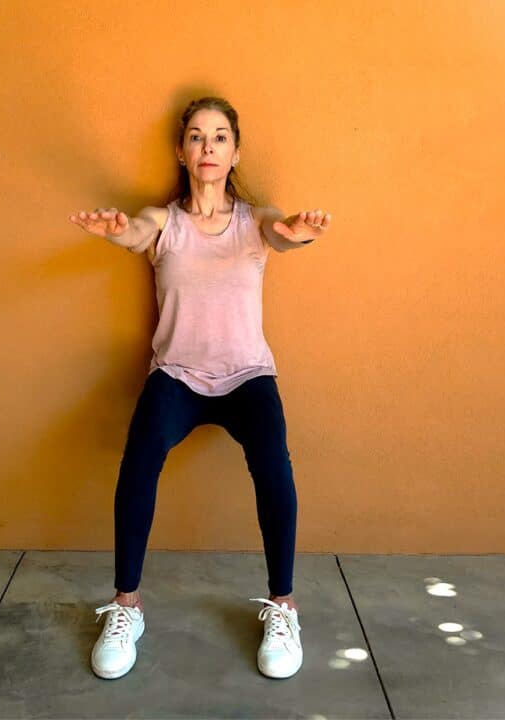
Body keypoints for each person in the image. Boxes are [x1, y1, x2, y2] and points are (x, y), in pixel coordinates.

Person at [69, 96, 331, 680]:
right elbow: (137, 232)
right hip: (178, 376)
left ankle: (283, 608)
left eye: (219, 137)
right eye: (196, 136)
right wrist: (117, 231)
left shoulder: (256, 219)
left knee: (274, 465)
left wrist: (296, 233)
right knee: (139, 461)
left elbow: (282, 235)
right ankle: (125, 608)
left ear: (235, 151)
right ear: (182, 152)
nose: (207, 147)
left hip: (247, 376)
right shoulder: (165, 221)